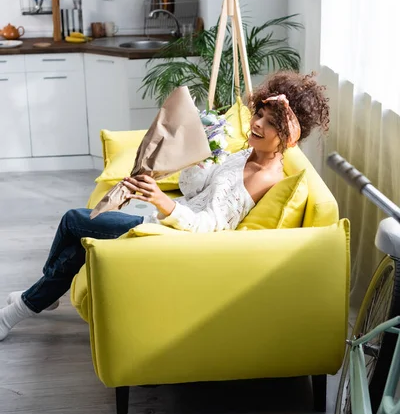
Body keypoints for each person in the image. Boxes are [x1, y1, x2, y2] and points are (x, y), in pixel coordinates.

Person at [0, 70, 329, 341]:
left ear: (288, 136)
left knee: (74, 220)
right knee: (77, 249)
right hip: (164, 219)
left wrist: (160, 201)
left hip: (169, 238)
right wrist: (203, 155)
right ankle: (40, 296)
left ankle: (35, 298)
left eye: (271, 122)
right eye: (259, 113)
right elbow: (194, 188)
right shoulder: (249, 154)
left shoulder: (263, 176)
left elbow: (209, 227)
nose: (257, 124)